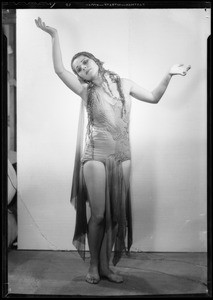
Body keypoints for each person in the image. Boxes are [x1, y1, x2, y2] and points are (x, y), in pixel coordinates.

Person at [35, 17, 191, 284]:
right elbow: (60, 70)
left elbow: (154, 97)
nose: (82, 68)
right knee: (98, 214)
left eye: (84, 61)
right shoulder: (84, 90)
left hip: (123, 156)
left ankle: (107, 267)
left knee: (116, 216)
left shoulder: (125, 84)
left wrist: (169, 74)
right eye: (79, 68)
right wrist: (54, 35)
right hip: (95, 156)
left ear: (95, 60)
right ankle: (94, 266)